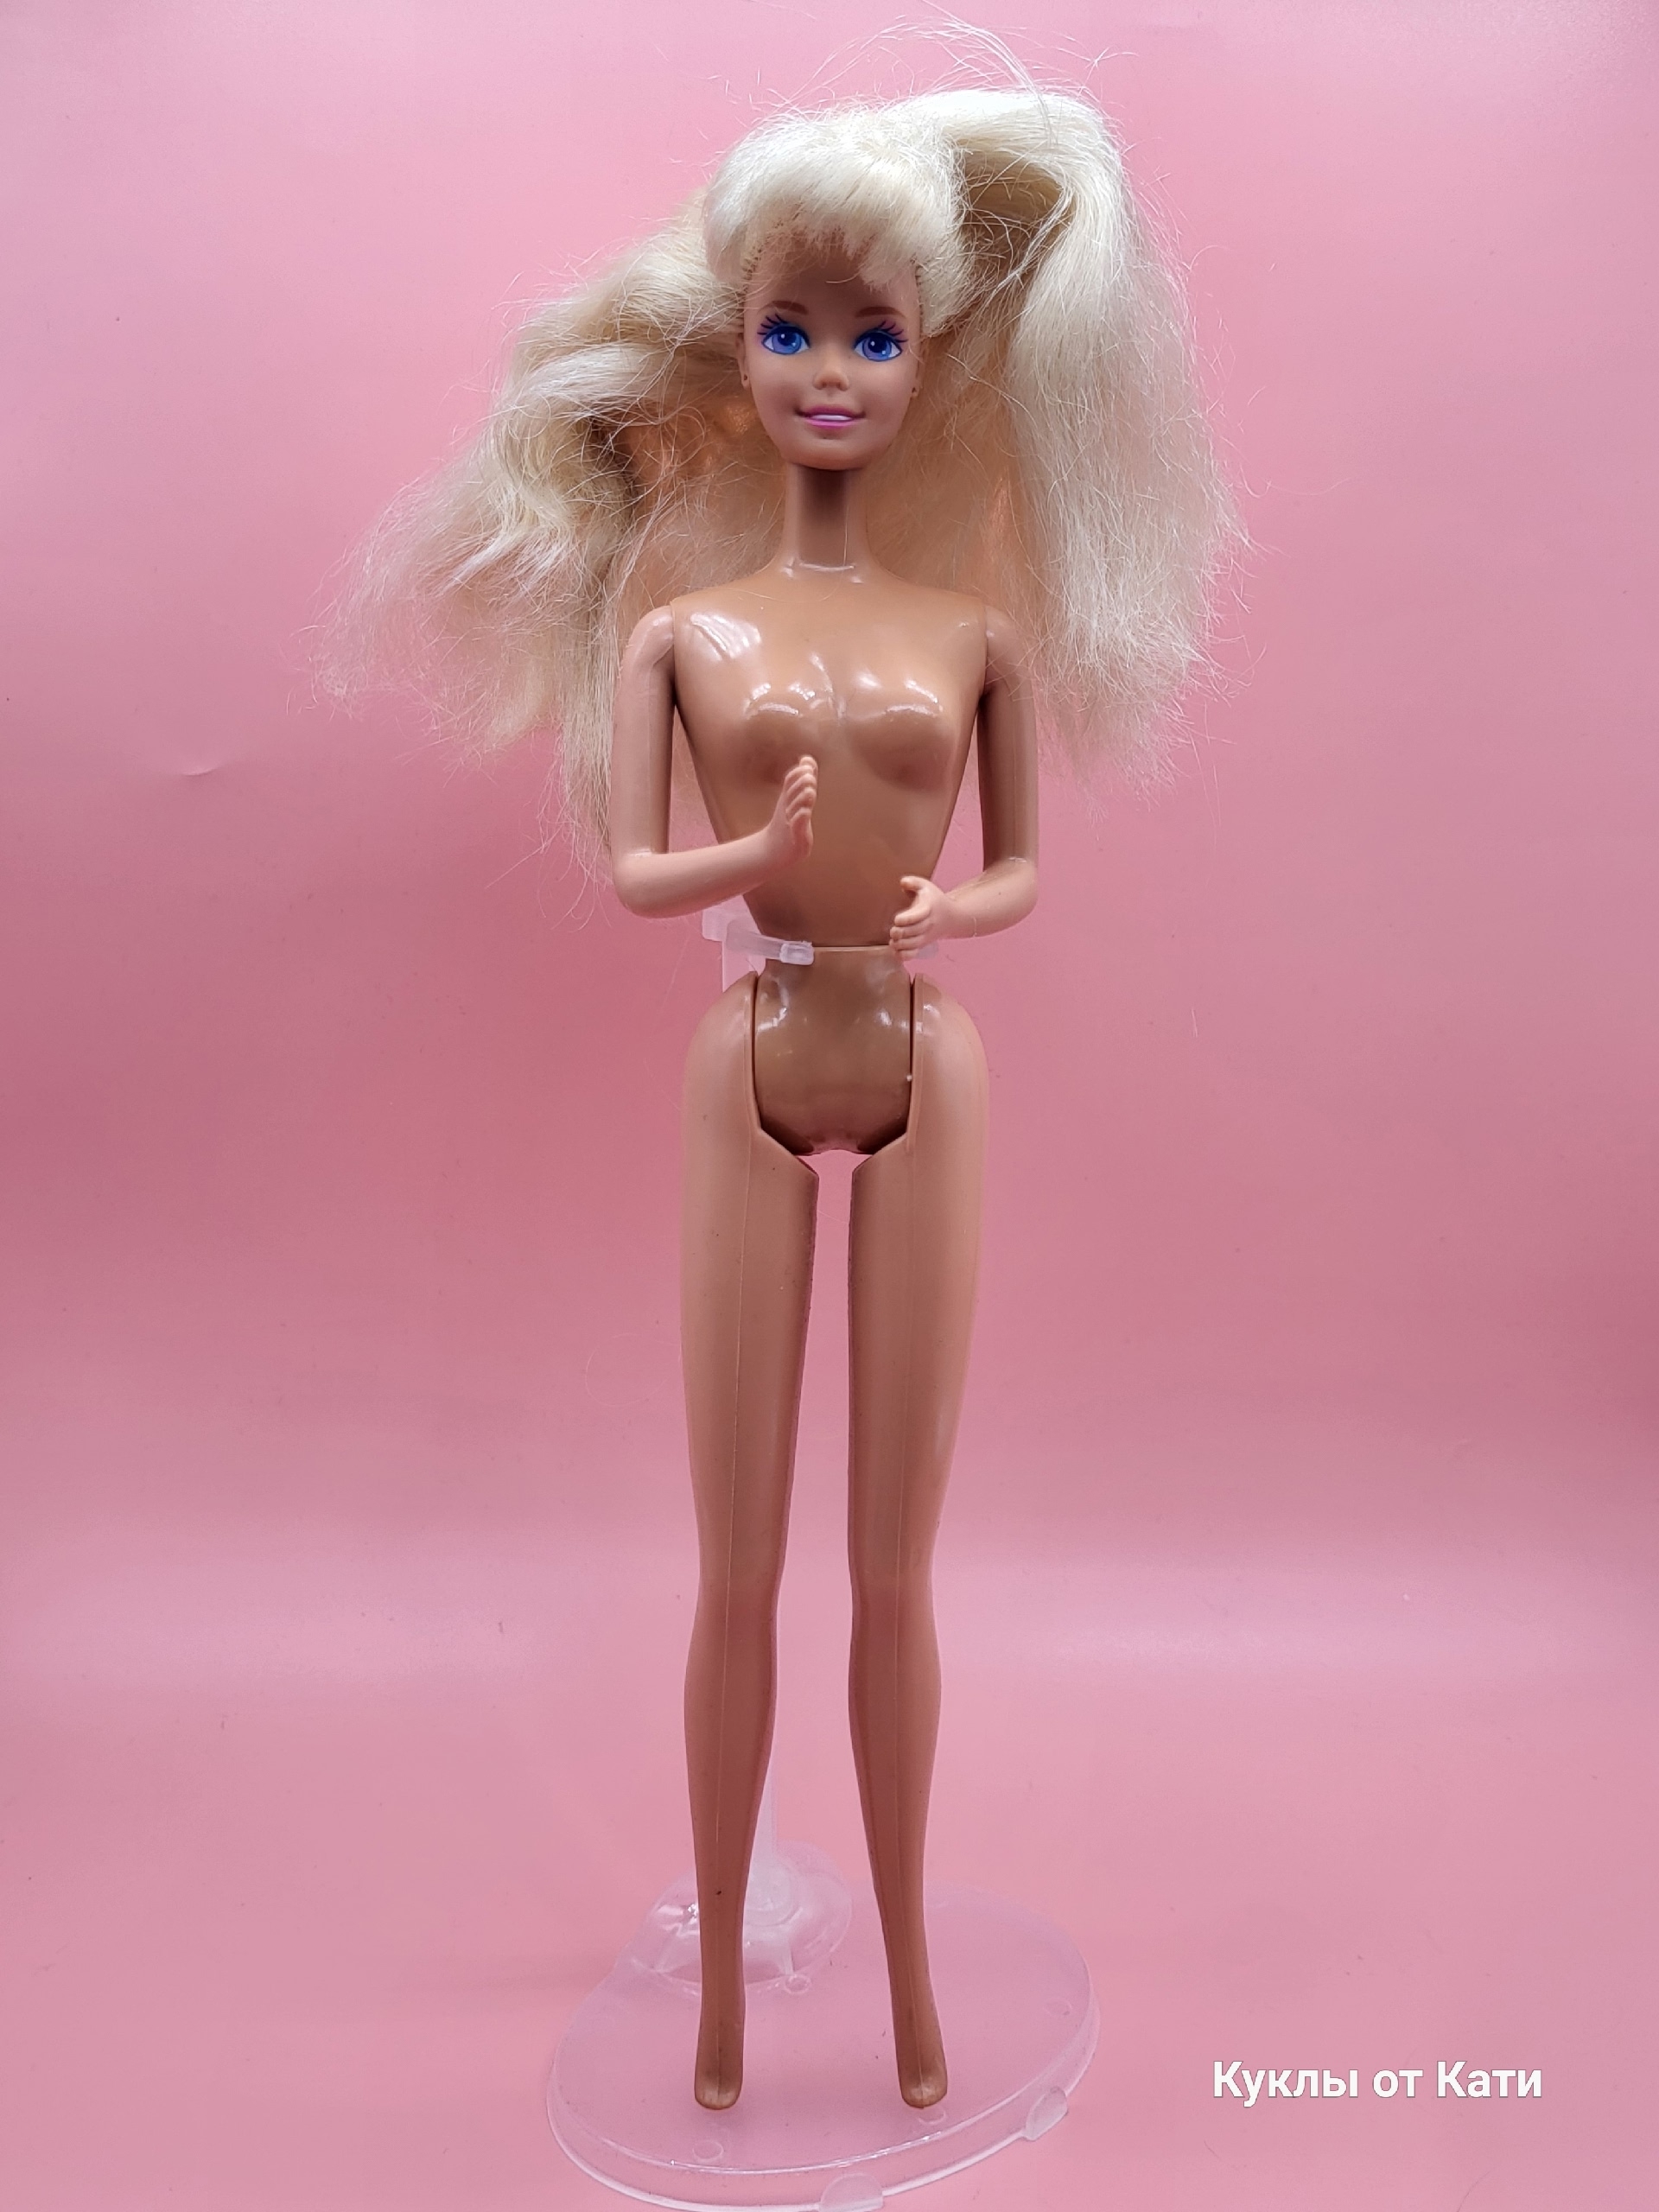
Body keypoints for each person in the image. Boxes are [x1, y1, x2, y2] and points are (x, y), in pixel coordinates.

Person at [338, 79, 1233, 2113]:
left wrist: (952, 902)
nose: (832, 372)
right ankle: (728, 2009)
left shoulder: (974, 631)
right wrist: (748, 862)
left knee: (894, 1565)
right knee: (734, 1559)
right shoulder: (680, 627)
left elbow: (1016, 866)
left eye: (876, 334)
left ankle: (910, 1976)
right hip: (748, 1049)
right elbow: (639, 863)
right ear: (735, 347)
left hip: (922, 1049)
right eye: (793, 330)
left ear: (928, 364)